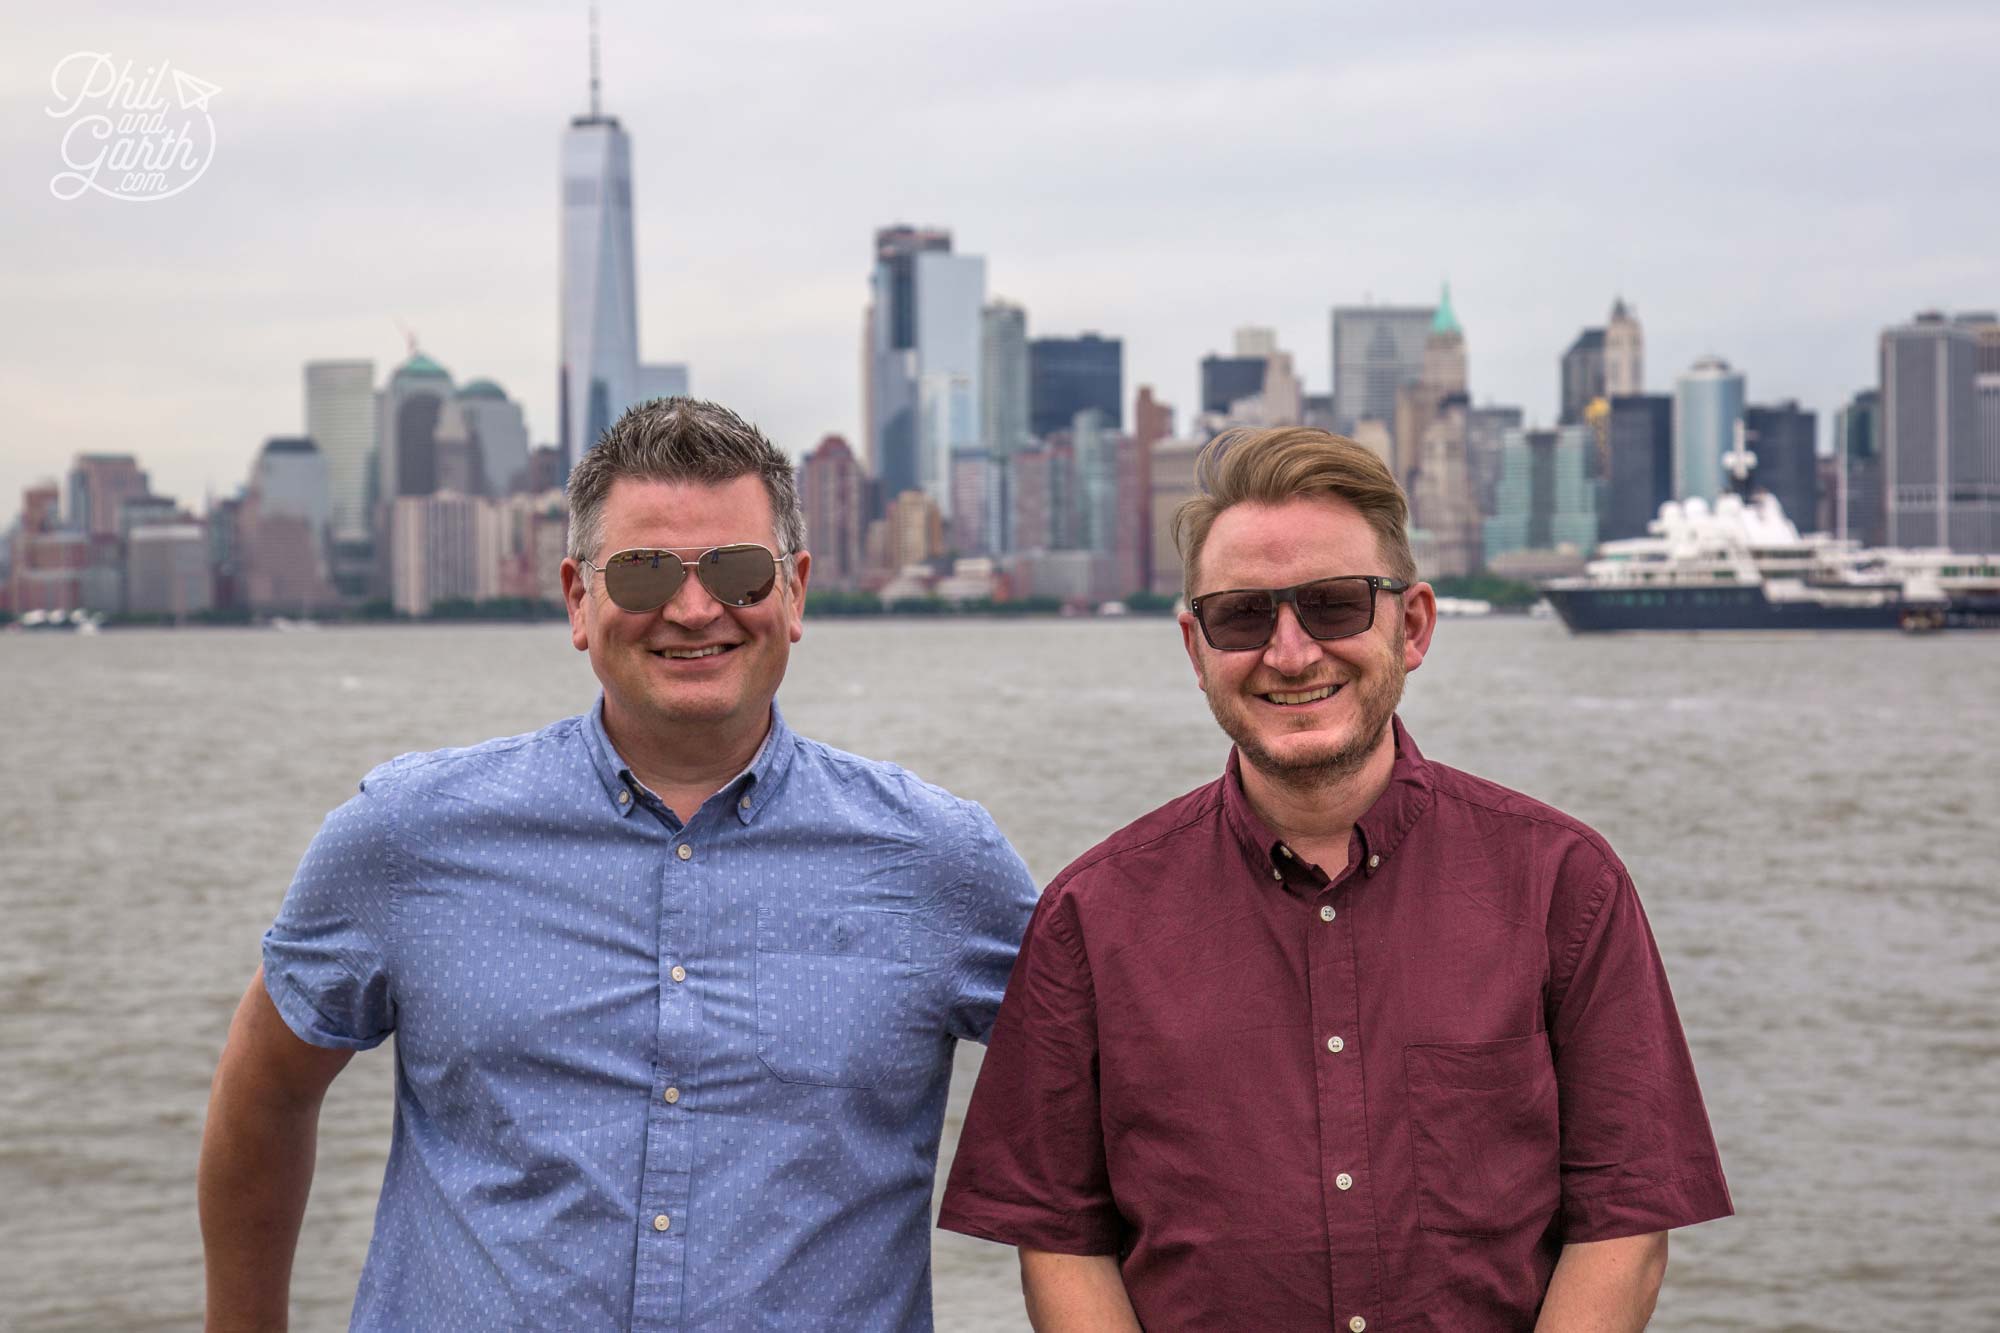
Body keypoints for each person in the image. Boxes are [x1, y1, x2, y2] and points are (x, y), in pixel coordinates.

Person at [199, 398, 1039, 1330]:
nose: (691, 608)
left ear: (794, 591)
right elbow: (265, 1089)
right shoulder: (409, 835)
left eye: (736, 571)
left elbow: (1116, 1101)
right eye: (641, 573)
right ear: (577, 597)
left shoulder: (940, 863)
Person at [938, 426, 1731, 1332]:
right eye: (1243, 615)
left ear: (1414, 623)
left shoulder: (1566, 886)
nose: (1291, 652)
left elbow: (1624, 1225)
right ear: (1196, 649)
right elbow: (1061, 1242)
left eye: (1335, 604)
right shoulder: (1089, 917)